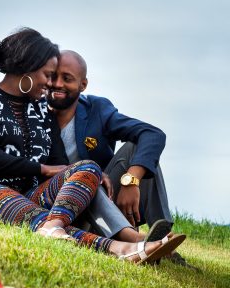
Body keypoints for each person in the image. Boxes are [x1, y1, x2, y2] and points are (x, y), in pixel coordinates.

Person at [0, 28, 183, 264]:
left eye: (58, 76)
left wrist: (90, 174)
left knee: (89, 168)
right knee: (36, 217)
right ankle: (123, 247)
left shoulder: (42, 110)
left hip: (28, 194)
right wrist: (43, 170)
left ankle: (55, 226)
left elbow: (60, 162)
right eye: (48, 74)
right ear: (28, 68)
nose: (51, 83)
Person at [47, 50, 172, 235]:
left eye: (67, 78)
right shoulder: (34, 112)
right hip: (58, 206)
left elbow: (153, 135)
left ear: (83, 85)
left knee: (136, 149)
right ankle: (131, 237)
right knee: (88, 176)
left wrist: (131, 180)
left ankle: (163, 237)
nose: (58, 84)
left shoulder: (97, 109)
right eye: (53, 76)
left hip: (103, 198)